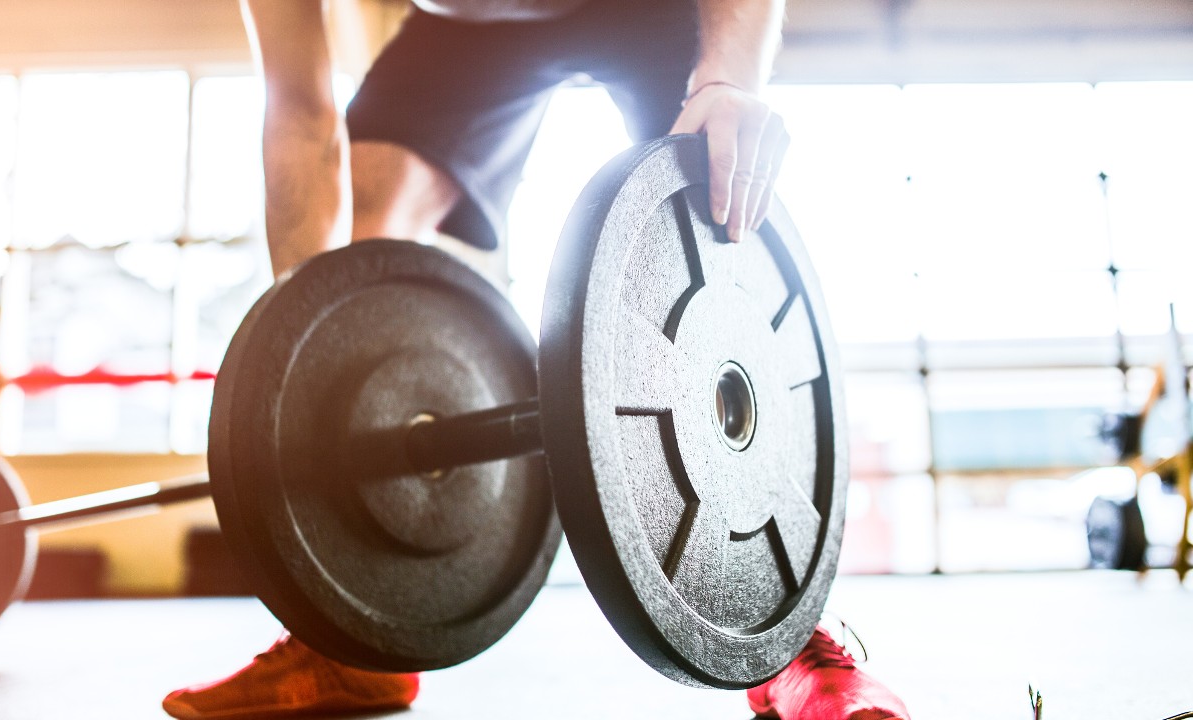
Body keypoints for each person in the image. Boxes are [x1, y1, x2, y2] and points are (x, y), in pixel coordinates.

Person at [163, 1, 912, 718]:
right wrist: (306, 355)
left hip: (651, 7)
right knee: (358, 256)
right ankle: (353, 640)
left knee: (719, 201)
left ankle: (788, 645)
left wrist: (730, 82)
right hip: (465, 33)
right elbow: (298, 113)